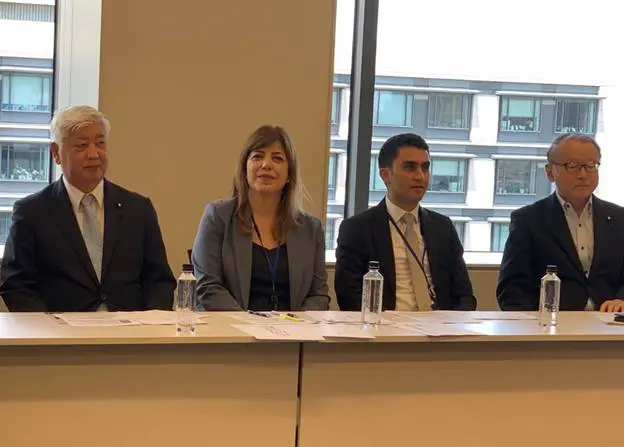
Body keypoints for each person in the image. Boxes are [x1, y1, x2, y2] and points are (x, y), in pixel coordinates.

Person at [0, 105, 175, 312]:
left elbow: (160, 281)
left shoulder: (138, 209)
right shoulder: (31, 212)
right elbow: (16, 286)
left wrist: (149, 325)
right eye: (81, 145)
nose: (94, 154)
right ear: (56, 153)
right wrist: (47, 326)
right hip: (59, 328)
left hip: (129, 328)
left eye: (100, 143)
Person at [191, 125, 329, 311]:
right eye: (257, 156)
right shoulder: (218, 217)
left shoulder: (311, 229)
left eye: (277, 158)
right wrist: (250, 324)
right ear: (245, 168)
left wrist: (295, 323)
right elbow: (208, 286)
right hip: (230, 326)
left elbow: (318, 295)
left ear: (289, 174)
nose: (266, 165)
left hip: (292, 328)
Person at [335, 133, 476, 311]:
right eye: (410, 167)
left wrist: (451, 323)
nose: (420, 176)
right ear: (385, 175)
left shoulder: (442, 227)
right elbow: (349, 297)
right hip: (386, 325)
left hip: (439, 324)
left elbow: (464, 296)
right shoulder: (357, 229)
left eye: (425, 168)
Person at [497, 134, 624, 312]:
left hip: (609, 322)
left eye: (590, 166)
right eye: (572, 166)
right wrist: (533, 322)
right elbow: (512, 288)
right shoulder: (528, 220)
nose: (583, 175)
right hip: (552, 323)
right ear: (550, 172)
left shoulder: (619, 218)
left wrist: (621, 300)